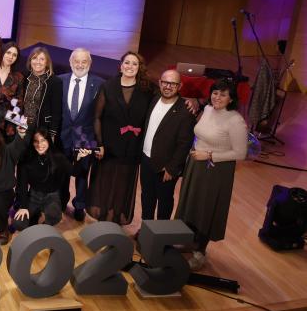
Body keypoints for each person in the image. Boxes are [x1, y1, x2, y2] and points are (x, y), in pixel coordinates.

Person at [175, 79, 248, 270]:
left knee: (206, 210)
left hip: (215, 170)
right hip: (196, 164)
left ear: (231, 98)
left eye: (223, 94)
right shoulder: (207, 109)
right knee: (191, 205)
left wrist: (208, 155)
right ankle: (188, 242)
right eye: (215, 92)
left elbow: (241, 154)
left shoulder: (236, 121)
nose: (217, 97)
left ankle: (200, 252)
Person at [88, 51, 155, 226]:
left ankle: (115, 217)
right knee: (105, 181)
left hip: (132, 147)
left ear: (139, 67)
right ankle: (102, 218)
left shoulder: (147, 89)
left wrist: (192, 102)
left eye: (134, 63)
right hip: (109, 145)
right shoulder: (108, 86)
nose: (130, 66)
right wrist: (99, 144)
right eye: (127, 63)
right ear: (121, 65)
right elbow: (97, 117)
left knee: (122, 185)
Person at [139, 69, 195, 223]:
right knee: (147, 197)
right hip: (146, 159)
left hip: (166, 167)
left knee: (164, 202)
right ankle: (146, 229)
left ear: (180, 86)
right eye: (165, 82)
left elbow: (185, 143)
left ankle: (161, 235)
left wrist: (172, 168)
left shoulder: (185, 110)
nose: (168, 86)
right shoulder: (154, 98)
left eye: (173, 83)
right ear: (160, 83)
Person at [58, 48, 103, 222]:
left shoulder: (99, 84)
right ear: (70, 63)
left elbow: (101, 115)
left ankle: (79, 205)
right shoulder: (59, 81)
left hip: (85, 138)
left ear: (90, 64)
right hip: (63, 136)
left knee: (82, 175)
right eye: (76, 61)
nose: (79, 64)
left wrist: (98, 141)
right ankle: (61, 201)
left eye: (84, 61)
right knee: (62, 173)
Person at [15, 129, 75, 230]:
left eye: (43, 140)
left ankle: (44, 227)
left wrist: (79, 159)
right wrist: (23, 206)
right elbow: (22, 185)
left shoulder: (58, 157)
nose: (39, 144)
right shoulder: (28, 159)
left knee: (54, 217)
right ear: (32, 143)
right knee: (19, 223)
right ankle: (35, 214)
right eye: (36, 141)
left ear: (48, 141)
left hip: (52, 195)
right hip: (34, 195)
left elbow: (74, 172)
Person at [21, 46, 62, 140]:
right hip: (22, 126)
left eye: (42, 59)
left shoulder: (55, 82)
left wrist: (52, 133)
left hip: (42, 128)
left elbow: (56, 111)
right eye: (34, 58)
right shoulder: (24, 77)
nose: (37, 62)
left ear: (47, 62)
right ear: (30, 61)